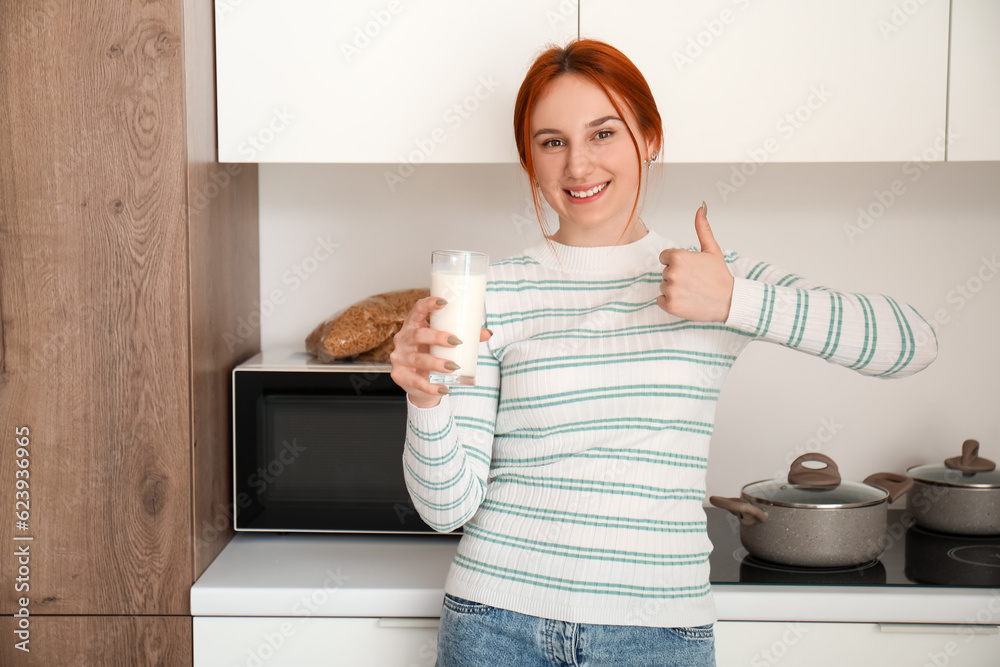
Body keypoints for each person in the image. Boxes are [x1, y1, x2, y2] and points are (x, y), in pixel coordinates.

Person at [389, 39, 938, 667]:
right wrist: (424, 401)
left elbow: (913, 343)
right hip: (494, 624)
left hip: (656, 635)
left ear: (649, 137)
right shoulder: (493, 292)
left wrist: (737, 301)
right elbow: (444, 508)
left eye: (604, 133)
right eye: (552, 141)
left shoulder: (710, 279)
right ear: (529, 160)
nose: (577, 166)